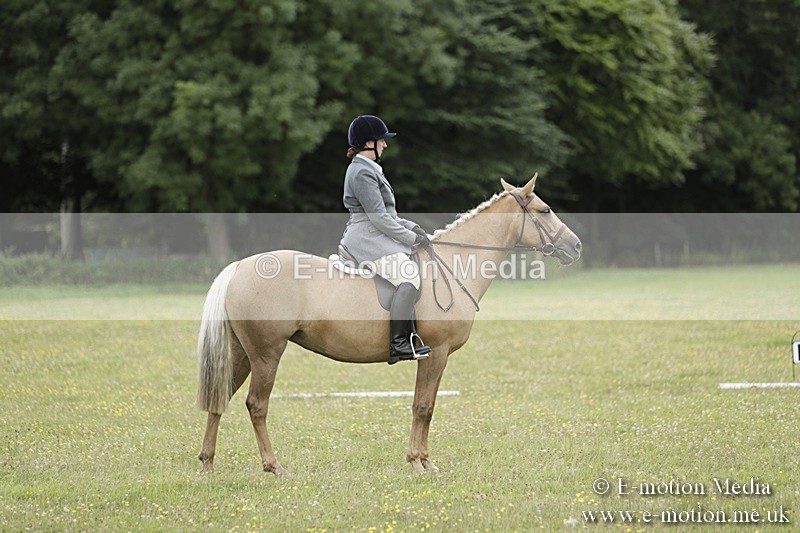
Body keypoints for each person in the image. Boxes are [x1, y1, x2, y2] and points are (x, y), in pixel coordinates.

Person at [339, 115, 432, 364]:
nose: (385, 145)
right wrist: (411, 238)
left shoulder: (368, 169)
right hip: (367, 238)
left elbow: (389, 215)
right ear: (369, 143)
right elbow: (379, 219)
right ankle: (399, 344)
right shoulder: (361, 172)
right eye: (382, 140)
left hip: (375, 233)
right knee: (409, 276)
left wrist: (415, 229)